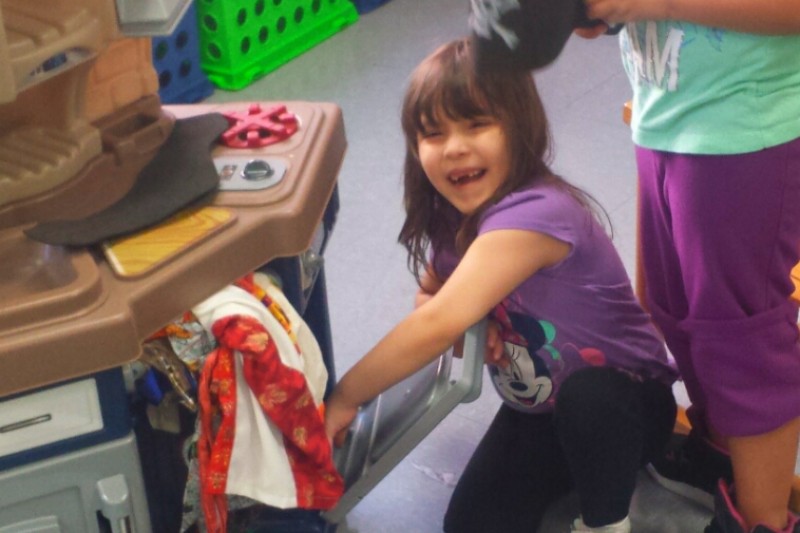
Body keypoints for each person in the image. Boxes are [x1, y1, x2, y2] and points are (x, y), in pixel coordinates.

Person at [324, 37, 679, 533]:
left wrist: (345, 397)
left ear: (521, 127)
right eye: (433, 134)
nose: (454, 147)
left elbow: (434, 320)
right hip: (539, 412)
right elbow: (431, 296)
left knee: (590, 400)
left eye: (476, 124)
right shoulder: (453, 221)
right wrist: (469, 325)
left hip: (628, 407)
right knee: (470, 525)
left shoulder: (538, 214)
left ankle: (607, 523)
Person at [571, 3, 800, 533]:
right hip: (664, 118)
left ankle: (762, 521)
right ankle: (722, 455)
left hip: (746, 130)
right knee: (674, 313)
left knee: (742, 339)